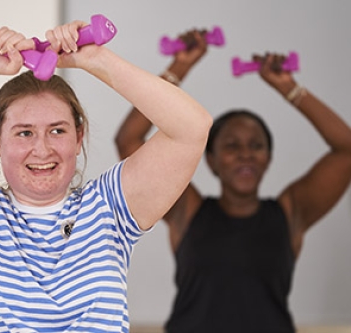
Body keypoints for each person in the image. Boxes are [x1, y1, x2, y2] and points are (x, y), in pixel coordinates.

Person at [0, 19, 212, 332]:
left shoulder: (110, 206)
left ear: (79, 138)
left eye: (57, 131)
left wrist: (97, 60)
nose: (42, 149)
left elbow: (191, 129)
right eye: (24, 133)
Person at [115, 30, 351, 333]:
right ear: (210, 160)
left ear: (268, 158)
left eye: (256, 146)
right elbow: (129, 140)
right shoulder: (186, 212)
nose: (245, 155)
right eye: (231, 146)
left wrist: (289, 88)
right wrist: (180, 66)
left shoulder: (291, 213)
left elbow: (346, 151)